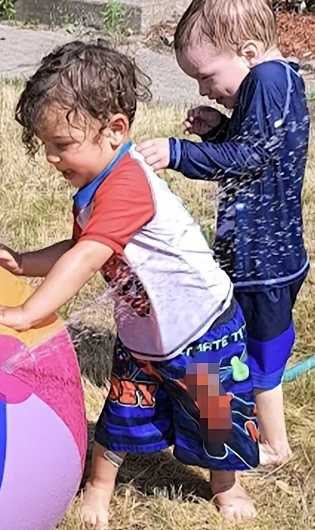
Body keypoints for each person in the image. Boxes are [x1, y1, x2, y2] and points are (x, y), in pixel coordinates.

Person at [0, 41, 260, 529]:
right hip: (143, 335)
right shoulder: (92, 190)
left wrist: (28, 314)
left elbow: (86, 258)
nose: (51, 159)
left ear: (115, 129)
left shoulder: (126, 183)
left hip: (201, 329)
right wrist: (22, 263)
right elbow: (77, 247)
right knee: (123, 409)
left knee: (215, 414)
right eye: (46, 147)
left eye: (62, 145)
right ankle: (100, 485)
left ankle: (226, 486)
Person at [138, 0, 310, 469]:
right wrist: (220, 132)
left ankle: (274, 444)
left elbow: (250, 159)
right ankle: (238, 409)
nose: (205, 89)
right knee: (257, 344)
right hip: (272, 256)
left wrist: (180, 153)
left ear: (249, 51)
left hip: (262, 263)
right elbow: (259, 149)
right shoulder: (280, 78)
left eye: (207, 76)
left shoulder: (267, 79)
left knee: (261, 354)